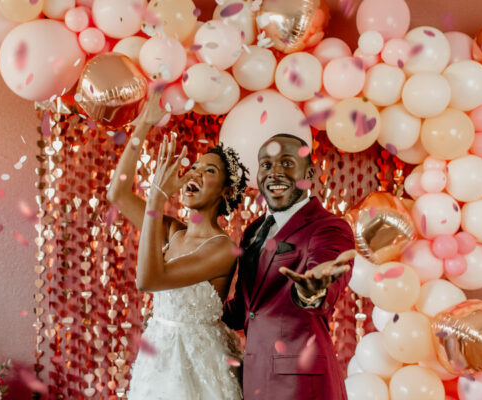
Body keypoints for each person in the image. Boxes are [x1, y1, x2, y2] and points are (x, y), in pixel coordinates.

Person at [107, 89, 247, 400]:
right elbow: (116, 193)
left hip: (197, 370)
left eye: (209, 170)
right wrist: (143, 124)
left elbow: (148, 280)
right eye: (194, 167)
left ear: (226, 192)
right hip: (157, 360)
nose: (194, 173)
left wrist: (157, 198)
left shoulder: (222, 249)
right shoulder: (173, 230)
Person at [223, 134, 357, 400]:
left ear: (308, 173)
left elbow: (323, 283)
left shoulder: (328, 227)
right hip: (254, 377)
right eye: (266, 164)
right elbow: (243, 310)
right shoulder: (253, 231)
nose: (275, 173)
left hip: (300, 382)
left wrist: (312, 291)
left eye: (286, 163)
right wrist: (185, 316)